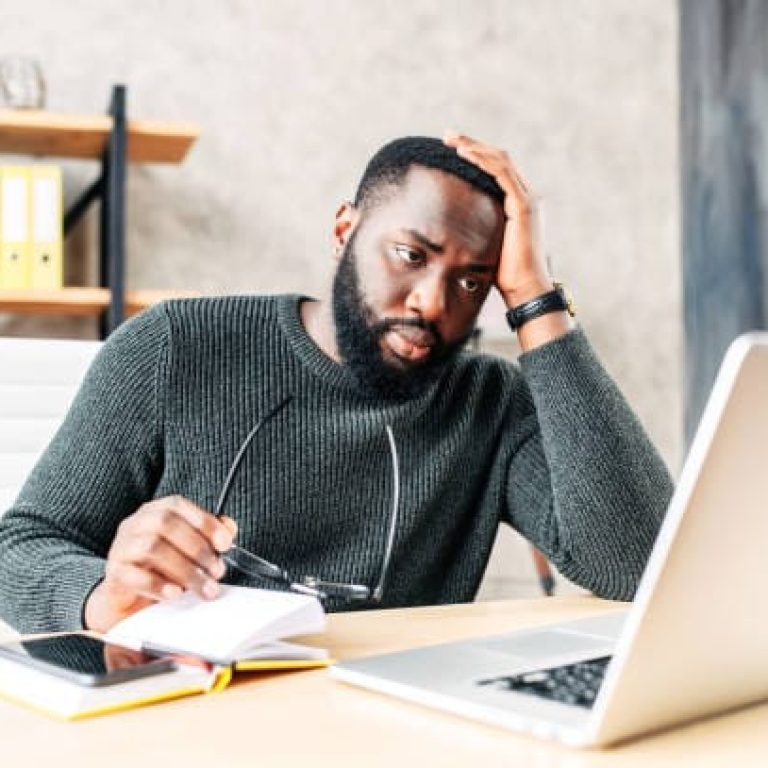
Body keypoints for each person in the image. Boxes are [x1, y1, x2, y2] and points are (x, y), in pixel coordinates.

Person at [0, 133, 673, 635]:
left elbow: (642, 565)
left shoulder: (489, 402)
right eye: (411, 255)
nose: (433, 303)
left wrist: (535, 297)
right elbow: (20, 549)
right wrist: (102, 595)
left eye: (473, 281)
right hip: (193, 724)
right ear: (344, 229)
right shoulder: (178, 346)